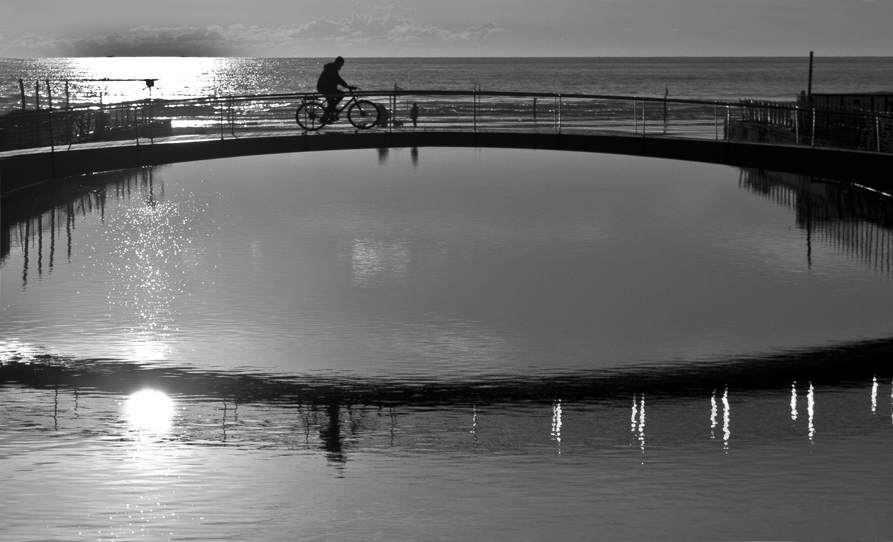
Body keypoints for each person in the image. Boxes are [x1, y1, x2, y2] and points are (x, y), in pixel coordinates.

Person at [316, 57, 356, 121]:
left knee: (332, 101)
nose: (341, 66)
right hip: (324, 88)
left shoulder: (332, 67)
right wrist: (347, 86)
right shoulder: (332, 68)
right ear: (339, 63)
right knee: (340, 94)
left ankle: (330, 111)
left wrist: (346, 86)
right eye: (341, 64)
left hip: (326, 87)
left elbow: (337, 79)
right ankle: (325, 116)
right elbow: (338, 79)